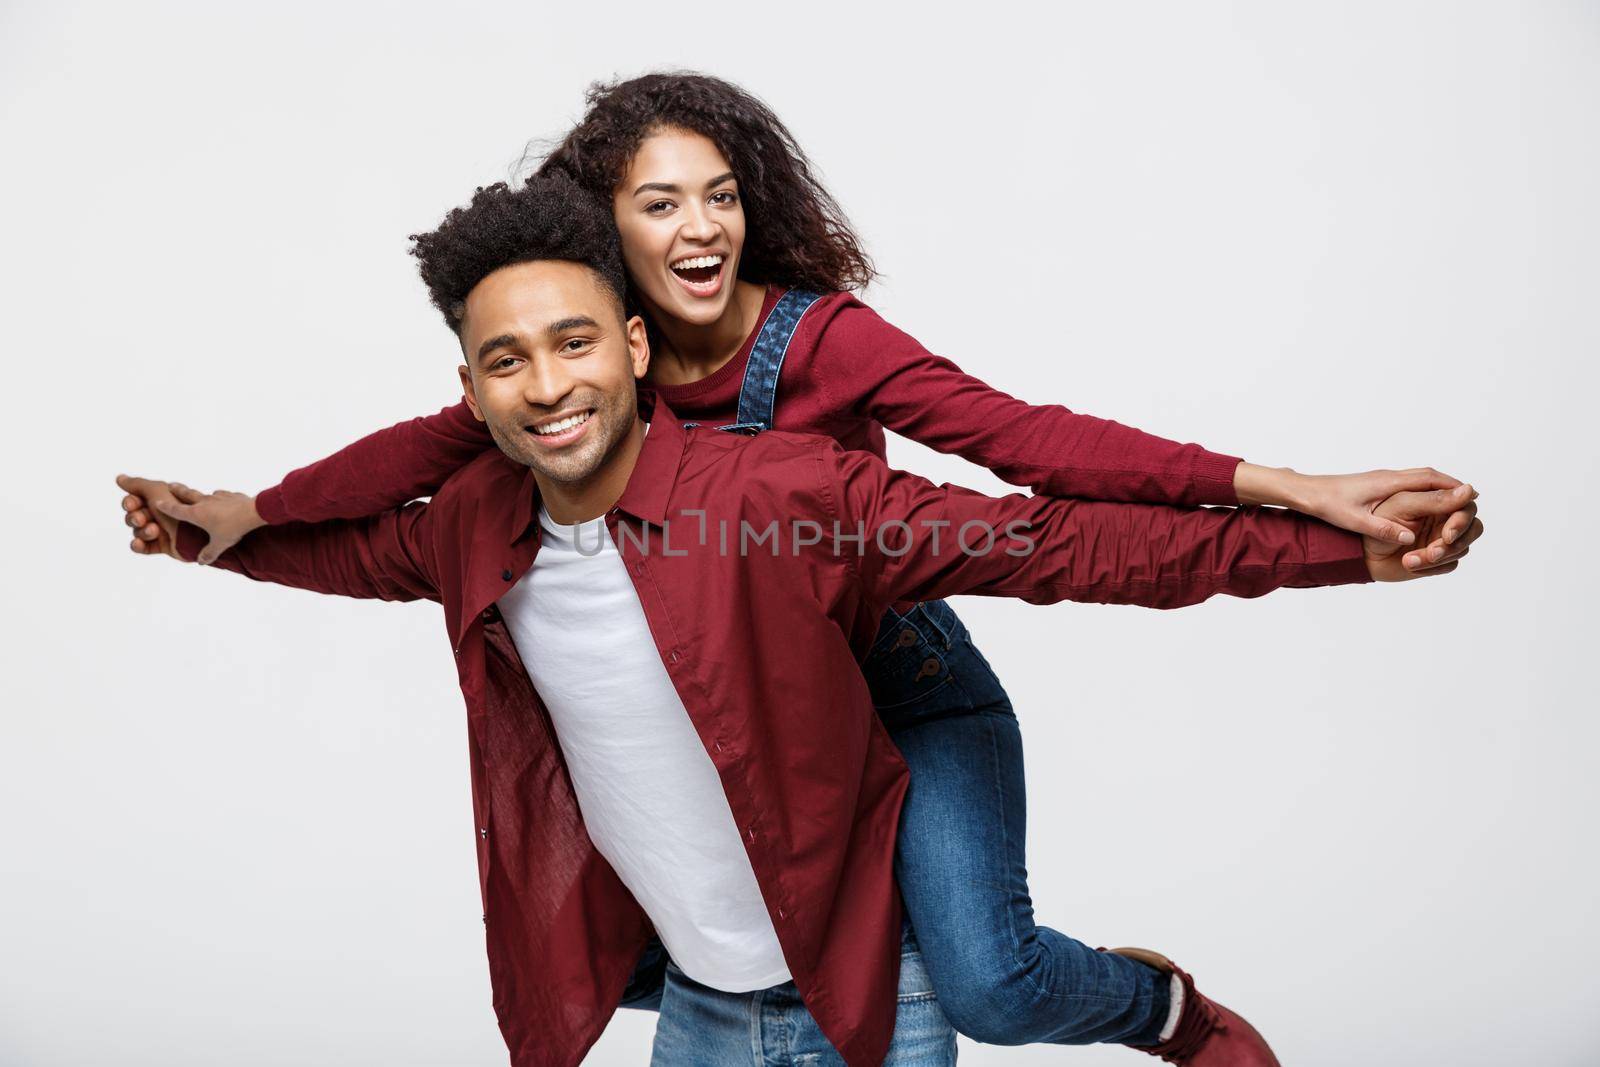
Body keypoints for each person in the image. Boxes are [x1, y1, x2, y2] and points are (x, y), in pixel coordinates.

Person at [118, 176, 1480, 1066]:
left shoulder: (782, 495)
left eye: (577, 341)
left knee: (990, 973)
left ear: (640, 346)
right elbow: (346, 547)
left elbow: (1063, 540)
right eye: (505, 359)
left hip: (866, 996)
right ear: (467, 390)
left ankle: (1158, 1010)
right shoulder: (470, 525)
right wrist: (211, 533)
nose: (546, 383)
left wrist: (1341, 552)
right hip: (697, 1008)